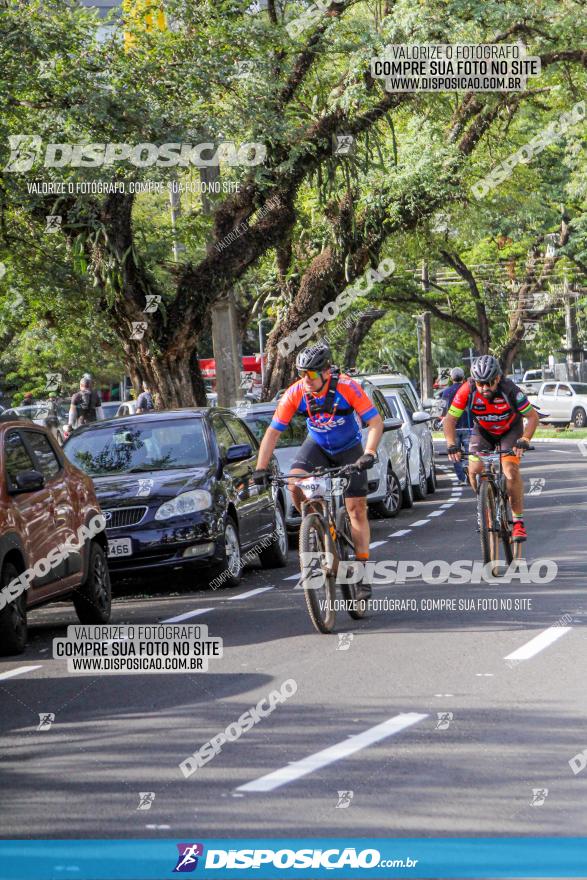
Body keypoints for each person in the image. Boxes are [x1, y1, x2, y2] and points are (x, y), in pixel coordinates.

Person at [253, 341, 383, 599]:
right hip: (318, 445)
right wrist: (261, 468)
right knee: (294, 483)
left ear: (326, 372)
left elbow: (375, 422)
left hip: (349, 448)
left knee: (356, 509)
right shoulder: (296, 393)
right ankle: (314, 524)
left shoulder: (347, 387)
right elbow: (272, 433)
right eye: (301, 374)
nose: (306, 380)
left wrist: (369, 453)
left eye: (311, 374)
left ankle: (361, 572)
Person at [442, 354, 540, 542]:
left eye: (489, 383)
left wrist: (525, 439)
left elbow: (533, 417)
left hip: (510, 430)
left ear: (498, 378)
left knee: (510, 470)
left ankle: (518, 522)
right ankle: (485, 503)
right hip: (484, 431)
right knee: (473, 471)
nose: (485, 388)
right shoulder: (466, 390)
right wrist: (451, 444)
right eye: (480, 384)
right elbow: (450, 420)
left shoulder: (510, 390)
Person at [440, 367, 473, 484]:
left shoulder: (446, 392)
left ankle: (462, 478)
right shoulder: (469, 390)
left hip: (452, 428)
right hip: (469, 426)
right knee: (471, 453)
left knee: (455, 453)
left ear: (451, 378)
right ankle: (471, 470)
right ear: (463, 377)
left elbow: (443, 410)